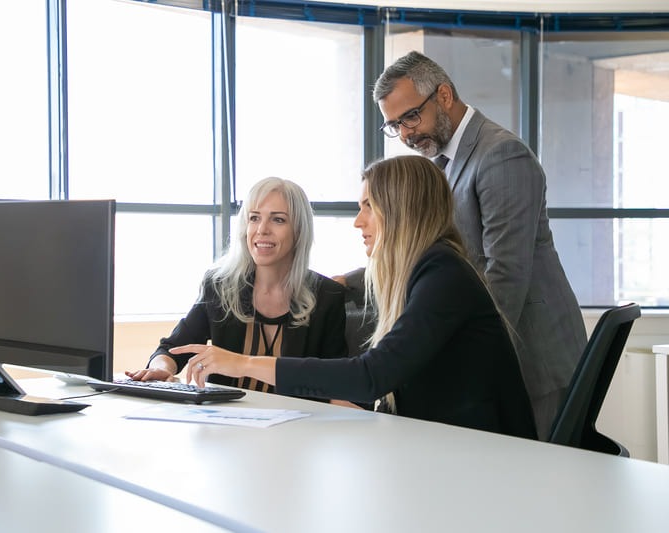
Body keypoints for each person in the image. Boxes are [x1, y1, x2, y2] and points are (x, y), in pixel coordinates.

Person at [175, 156, 538, 440]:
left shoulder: (443, 274)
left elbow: (371, 375)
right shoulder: (425, 271)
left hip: (487, 457)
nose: (357, 221)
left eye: (368, 206)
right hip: (445, 446)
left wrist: (242, 364)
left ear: (400, 210)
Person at [340, 51, 586, 440]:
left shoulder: (500, 155)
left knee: (534, 474)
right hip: (498, 359)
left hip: (533, 357)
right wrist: (350, 281)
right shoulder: (441, 162)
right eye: (394, 125)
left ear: (444, 95)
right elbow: (419, 246)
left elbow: (505, 275)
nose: (405, 134)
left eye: (410, 117)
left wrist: (445, 357)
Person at [125, 176, 348, 395]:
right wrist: (162, 368)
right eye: (254, 218)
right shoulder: (219, 286)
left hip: (298, 418)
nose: (262, 229)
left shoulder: (327, 296)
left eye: (278, 220)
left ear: (299, 230)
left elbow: (337, 381)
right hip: (226, 417)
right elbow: (172, 349)